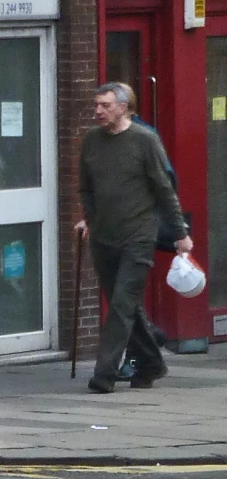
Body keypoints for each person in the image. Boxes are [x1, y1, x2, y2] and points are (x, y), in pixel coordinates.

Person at [76, 80, 192, 392]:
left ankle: (104, 375)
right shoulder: (91, 141)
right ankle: (153, 363)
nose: (98, 111)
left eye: (106, 105)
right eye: (97, 105)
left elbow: (164, 189)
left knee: (121, 306)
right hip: (104, 237)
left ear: (123, 107)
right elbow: (86, 187)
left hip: (138, 237)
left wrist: (180, 234)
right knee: (122, 303)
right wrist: (90, 218)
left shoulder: (145, 140)